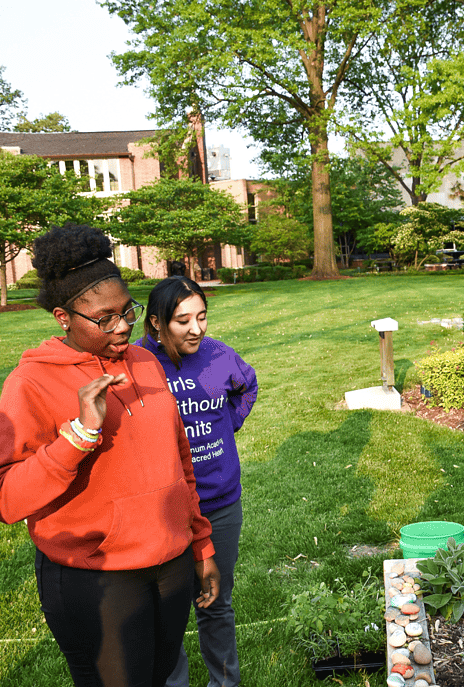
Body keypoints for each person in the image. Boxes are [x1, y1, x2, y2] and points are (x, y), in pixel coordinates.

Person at [0, 224, 219, 687]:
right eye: (104, 318)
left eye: (127, 311)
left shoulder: (146, 361)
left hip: (169, 565)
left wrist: (201, 544)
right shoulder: (31, 382)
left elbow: (180, 462)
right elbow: (1, 498)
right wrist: (78, 435)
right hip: (97, 578)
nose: (124, 326)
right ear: (63, 317)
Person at [137, 276, 258, 687]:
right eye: (182, 320)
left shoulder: (219, 356)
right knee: (166, 613)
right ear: (155, 323)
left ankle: (225, 683)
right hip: (163, 510)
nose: (196, 329)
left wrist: (227, 424)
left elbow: (247, 386)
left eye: (202, 316)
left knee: (215, 602)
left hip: (220, 502)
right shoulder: (136, 364)